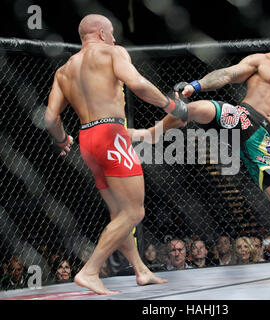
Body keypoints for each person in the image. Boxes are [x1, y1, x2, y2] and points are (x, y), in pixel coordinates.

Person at [156, 22, 270, 269]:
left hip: (263, 138)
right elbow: (227, 74)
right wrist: (196, 85)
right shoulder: (260, 61)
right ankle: (151, 133)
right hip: (245, 117)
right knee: (197, 108)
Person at [43, 14, 189, 294]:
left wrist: (62, 140)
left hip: (87, 139)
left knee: (119, 212)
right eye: (111, 33)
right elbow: (138, 84)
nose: (114, 38)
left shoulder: (63, 70)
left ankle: (141, 270)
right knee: (135, 211)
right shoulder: (112, 53)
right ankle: (91, 270)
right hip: (111, 134)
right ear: (100, 33)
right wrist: (171, 105)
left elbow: (50, 119)